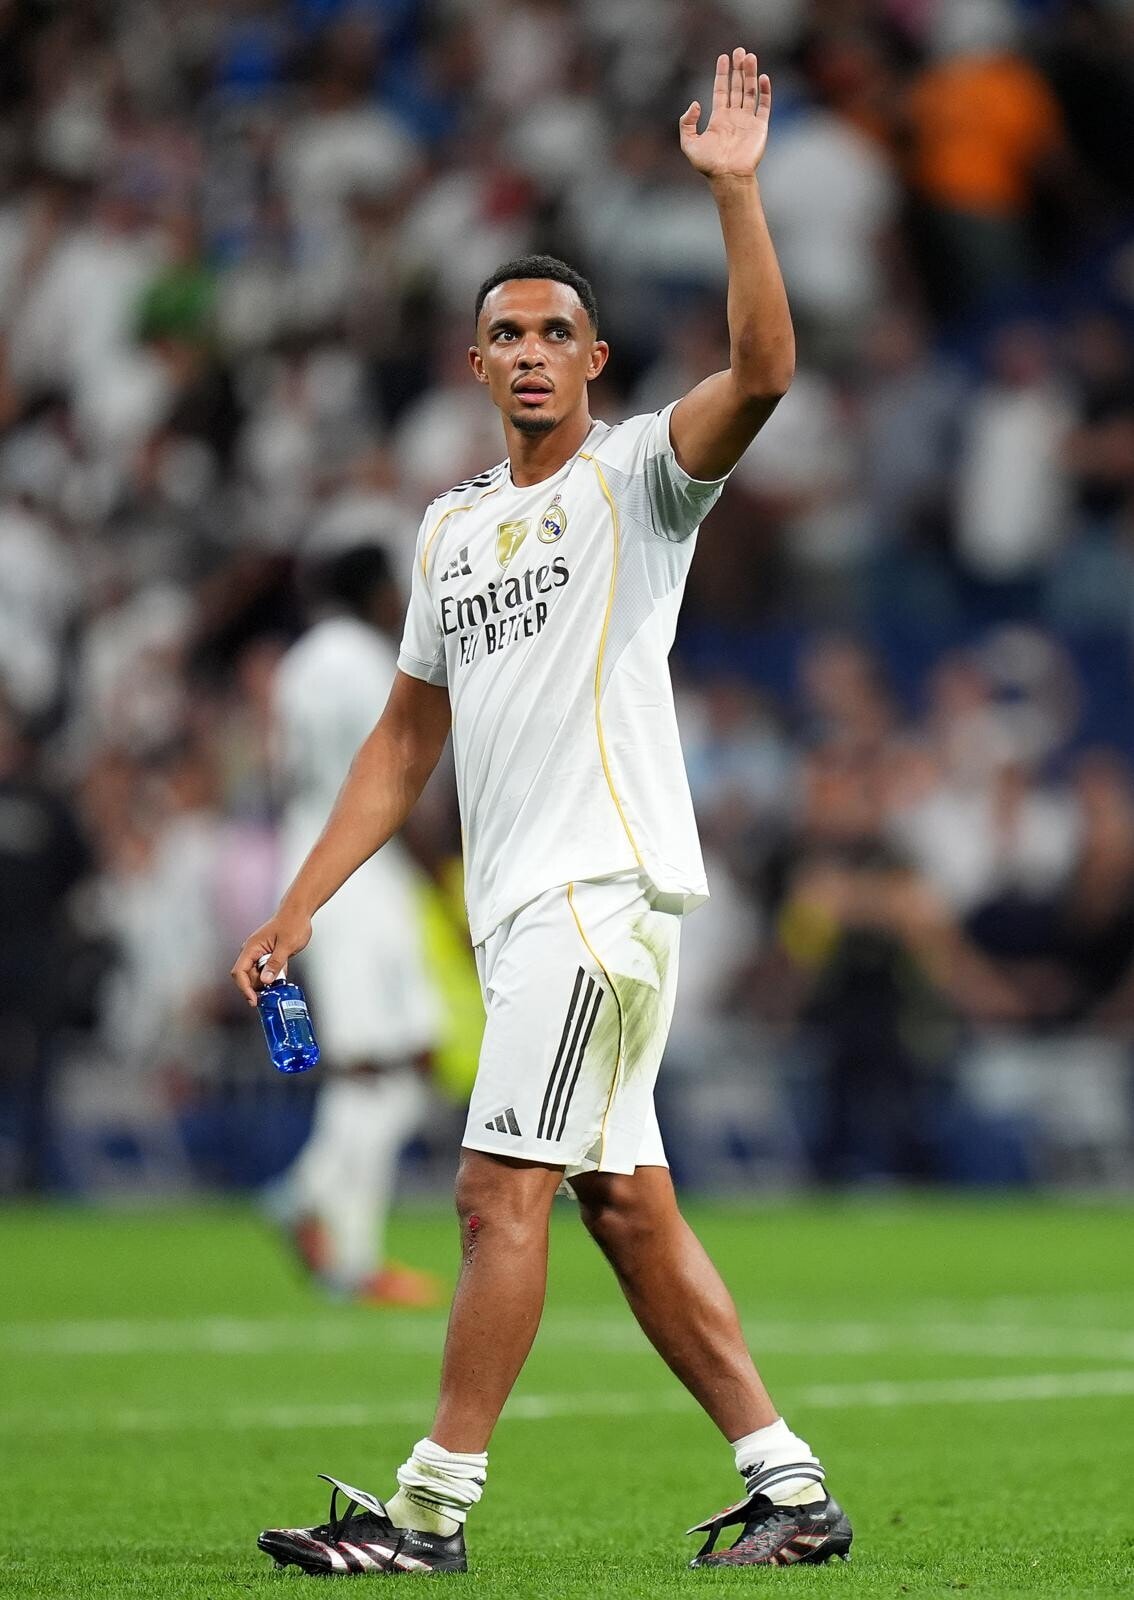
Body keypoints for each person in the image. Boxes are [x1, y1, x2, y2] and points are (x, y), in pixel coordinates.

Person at [232, 49, 853, 1574]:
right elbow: (402, 742)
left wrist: (733, 194)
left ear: (592, 361)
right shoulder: (449, 529)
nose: (527, 352)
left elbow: (764, 372)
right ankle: (788, 1489)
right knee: (622, 1208)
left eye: (554, 334)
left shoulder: (639, 477)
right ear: (473, 362)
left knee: (489, 1188)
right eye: (504, 333)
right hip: (514, 910)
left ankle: (426, 1514)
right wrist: (298, 903)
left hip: (599, 891)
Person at [265, 542, 443, 1307]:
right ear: (374, 591)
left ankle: (310, 1198)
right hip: (362, 871)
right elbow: (396, 772)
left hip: (315, 865)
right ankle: (351, 1251)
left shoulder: (295, 666)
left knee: (397, 1062)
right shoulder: (369, 661)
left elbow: (281, 777)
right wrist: (443, 875)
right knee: (380, 1064)